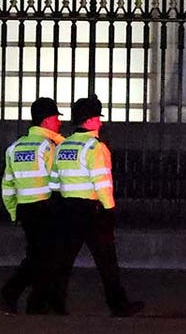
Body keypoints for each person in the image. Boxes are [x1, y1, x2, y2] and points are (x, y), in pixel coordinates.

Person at [51, 97, 144, 318]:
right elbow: (102, 183)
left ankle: (55, 303)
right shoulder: (95, 147)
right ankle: (118, 306)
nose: (100, 123)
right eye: (98, 119)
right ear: (91, 120)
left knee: (63, 261)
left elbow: (54, 180)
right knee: (107, 263)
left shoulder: (63, 145)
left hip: (67, 208)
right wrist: (109, 209)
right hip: (91, 211)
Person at [0, 97, 67, 315]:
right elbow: (58, 178)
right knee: (46, 258)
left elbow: (7, 184)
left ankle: (36, 301)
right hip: (46, 207)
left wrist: (13, 211)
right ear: (47, 120)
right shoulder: (51, 147)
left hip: (25, 208)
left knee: (39, 256)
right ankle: (21, 296)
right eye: (56, 118)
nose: (59, 122)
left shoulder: (16, 146)